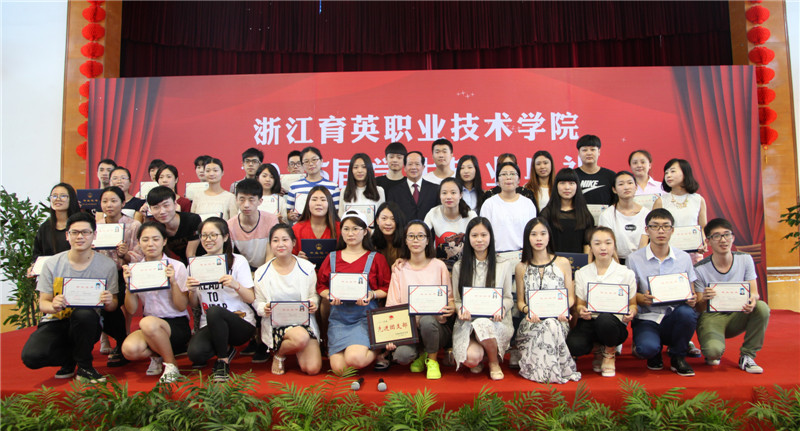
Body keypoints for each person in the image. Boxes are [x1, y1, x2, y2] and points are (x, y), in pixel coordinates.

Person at [21, 212, 119, 383]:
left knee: (84, 314)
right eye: (75, 232)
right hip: (56, 320)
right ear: (67, 235)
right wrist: (53, 305)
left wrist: (110, 301)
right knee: (32, 357)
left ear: (94, 235)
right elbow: (43, 303)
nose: (80, 237)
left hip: (87, 323)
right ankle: (70, 359)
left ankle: (85, 367)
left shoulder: (107, 265)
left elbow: (113, 305)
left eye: (85, 232)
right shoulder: (52, 263)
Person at [626, 208, 699, 377]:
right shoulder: (634, 259)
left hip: (674, 316)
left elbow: (692, 292)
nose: (661, 231)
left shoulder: (684, 258)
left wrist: (692, 298)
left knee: (687, 313)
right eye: (655, 226)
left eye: (666, 226)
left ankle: (678, 356)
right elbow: (630, 295)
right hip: (647, 317)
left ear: (672, 230)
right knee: (646, 349)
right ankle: (655, 352)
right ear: (647, 230)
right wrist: (642, 298)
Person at [316, 210, 390, 373]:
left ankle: (378, 350)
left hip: (364, 318)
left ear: (365, 232)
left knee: (354, 358)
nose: (350, 233)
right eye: (346, 229)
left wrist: (372, 294)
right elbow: (321, 286)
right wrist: (329, 295)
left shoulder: (376, 258)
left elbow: (386, 288)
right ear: (341, 232)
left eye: (356, 229)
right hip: (339, 319)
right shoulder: (332, 257)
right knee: (339, 369)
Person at [693, 218, 770, 373]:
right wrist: (705, 299)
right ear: (708, 241)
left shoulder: (745, 259)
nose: (723, 240)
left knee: (762, 308)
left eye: (727, 235)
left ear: (733, 237)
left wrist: (752, 300)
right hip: (712, 316)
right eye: (717, 236)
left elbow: (754, 293)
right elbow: (698, 307)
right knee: (713, 352)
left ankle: (747, 355)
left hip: (738, 313)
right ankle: (712, 351)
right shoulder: (699, 269)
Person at [186, 217, 256, 381]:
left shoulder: (238, 261)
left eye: (213, 235)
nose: (208, 240)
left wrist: (236, 285)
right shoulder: (195, 265)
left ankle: (222, 361)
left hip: (240, 322)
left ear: (225, 237)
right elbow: (194, 304)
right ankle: (227, 349)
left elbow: (251, 298)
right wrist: (192, 291)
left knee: (215, 311)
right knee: (196, 354)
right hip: (210, 324)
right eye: (204, 236)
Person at [120, 222, 191, 383]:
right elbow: (131, 309)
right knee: (129, 350)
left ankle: (171, 365)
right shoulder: (135, 269)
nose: (150, 244)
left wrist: (173, 283)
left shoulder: (177, 266)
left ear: (164, 241)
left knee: (147, 323)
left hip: (176, 324)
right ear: (139, 243)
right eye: (145, 240)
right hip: (150, 326)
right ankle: (158, 355)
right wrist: (129, 286)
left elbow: (181, 306)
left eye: (155, 239)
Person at [385, 221, 454, 380]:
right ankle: (421, 354)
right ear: (405, 240)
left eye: (420, 236)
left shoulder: (439, 266)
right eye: (411, 236)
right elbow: (392, 306)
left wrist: (450, 307)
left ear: (428, 240)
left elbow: (450, 299)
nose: (416, 240)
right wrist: (389, 336)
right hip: (409, 330)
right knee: (401, 356)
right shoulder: (399, 269)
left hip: (435, 327)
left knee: (427, 320)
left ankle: (432, 360)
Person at [515, 217, 580, 383]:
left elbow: (570, 297)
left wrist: (563, 309)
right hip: (532, 321)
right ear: (527, 238)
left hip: (559, 320)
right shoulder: (521, 267)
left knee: (551, 324)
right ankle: (559, 371)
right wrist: (528, 311)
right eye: (534, 234)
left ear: (549, 236)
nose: (539, 238)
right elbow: (520, 302)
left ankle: (540, 373)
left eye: (543, 234)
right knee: (547, 325)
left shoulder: (563, 263)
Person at [566, 227, 638, 377]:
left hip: (614, 324)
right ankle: (598, 349)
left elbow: (633, 304)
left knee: (605, 320)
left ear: (614, 246)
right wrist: (581, 310)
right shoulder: (582, 273)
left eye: (608, 243)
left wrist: (632, 312)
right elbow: (580, 304)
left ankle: (609, 352)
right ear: (591, 247)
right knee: (574, 346)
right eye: (597, 243)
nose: (603, 248)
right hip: (590, 321)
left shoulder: (626, 273)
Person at [253, 224, 322, 376]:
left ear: (293, 242)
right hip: (277, 324)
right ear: (270, 244)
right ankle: (280, 354)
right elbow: (257, 301)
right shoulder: (261, 272)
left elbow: (313, 295)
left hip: (303, 322)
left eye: (285, 240)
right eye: (275, 240)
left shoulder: (307, 268)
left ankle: (293, 347)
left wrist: (313, 303)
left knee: (312, 368)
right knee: (301, 337)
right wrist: (264, 308)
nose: (280, 244)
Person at [451, 217, 513, 380]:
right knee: (471, 359)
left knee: (483, 324)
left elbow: (508, 298)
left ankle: (493, 362)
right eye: (474, 235)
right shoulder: (459, 267)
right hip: (467, 323)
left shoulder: (503, 264)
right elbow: (457, 300)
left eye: (484, 235)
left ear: (490, 236)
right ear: (468, 238)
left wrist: (502, 308)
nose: (479, 240)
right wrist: (461, 310)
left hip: (496, 321)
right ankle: (482, 354)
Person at [95, 186, 142, 365]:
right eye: (105, 201)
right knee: (101, 305)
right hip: (101, 276)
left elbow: (139, 255)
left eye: (114, 201)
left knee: (113, 305)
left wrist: (125, 254)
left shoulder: (133, 225)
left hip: (125, 273)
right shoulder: (96, 227)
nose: (109, 205)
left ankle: (122, 341)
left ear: (123, 203)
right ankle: (119, 339)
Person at [653, 158, 708, 261]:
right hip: (669, 254)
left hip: (694, 253)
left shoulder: (698, 199)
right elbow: (653, 228)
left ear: (685, 173)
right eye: (666, 173)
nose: (668, 175)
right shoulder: (661, 201)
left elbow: (703, 227)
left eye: (673, 171)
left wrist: (703, 241)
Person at [480, 162, 537, 257]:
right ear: (498, 181)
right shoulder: (489, 204)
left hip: (523, 256)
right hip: (497, 256)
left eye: (512, 174)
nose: (508, 177)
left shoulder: (528, 204)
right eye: (504, 174)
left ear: (519, 180)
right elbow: (483, 233)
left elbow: (533, 232)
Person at [423, 178, 477, 270]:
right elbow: (421, 235)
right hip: (439, 268)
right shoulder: (433, 213)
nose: (448, 197)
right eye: (444, 193)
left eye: (453, 193)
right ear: (439, 195)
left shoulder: (471, 215)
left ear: (460, 195)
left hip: (465, 268)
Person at [227, 179, 279, 272]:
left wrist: (262, 274)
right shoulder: (230, 225)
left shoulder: (271, 220)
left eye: (251, 200)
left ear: (260, 201)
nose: (246, 205)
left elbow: (271, 254)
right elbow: (231, 256)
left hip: (268, 268)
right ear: (236, 200)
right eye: (242, 200)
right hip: (243, 270)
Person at [539, 168, 594, 254]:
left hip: (578, 261)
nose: (567, 187)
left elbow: (587, 245)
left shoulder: (584, 214)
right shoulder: (546, 213)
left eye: (571, 183)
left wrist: (586, 262)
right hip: (553, 260)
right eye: (562, 183)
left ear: (577, 186)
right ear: (556, 186)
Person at [598, 171, 648, 263]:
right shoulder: (607, 215)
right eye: (621, 184)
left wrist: (639, 265)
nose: (626, 187)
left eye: (630, 183)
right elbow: (608, 244)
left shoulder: (646, 214)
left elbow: (643, 244)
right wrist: (618, 268)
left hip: (640, 261)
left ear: (636, 187)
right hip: (615, 261)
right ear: (614, 189)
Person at [147, 186, 200, 265]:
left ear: (175, 204)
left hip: (197, 261)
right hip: (174, 265)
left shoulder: (192, 220)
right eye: (156, 207)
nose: (162, 211)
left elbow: (190, 254)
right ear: (150, 209)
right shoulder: (155, 228)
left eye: (166, 205)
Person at [31, 183, 81, 265]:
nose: (58, 199)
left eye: (63, 196)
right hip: (50, 270)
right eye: (54, 196)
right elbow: (37, 254)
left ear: (71, 199)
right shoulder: (45, 227)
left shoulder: (80, 225)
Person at [385, 151, 439, 221]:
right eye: (410, 164)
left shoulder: (435, 189)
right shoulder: (394, 192)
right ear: (404, 167)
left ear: (423, 167)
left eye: (417, 164)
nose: (413, 167)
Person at [287, 146, 340, 216]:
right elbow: (289, 212)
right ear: (302, 165)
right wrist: (291, 216)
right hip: (300, 222)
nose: (311, 164)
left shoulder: (333, 187)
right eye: (306, 161)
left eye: (314, 160)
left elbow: (336, 213)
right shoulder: (294, 186)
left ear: (321, 161)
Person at [291, 186, 340, 258]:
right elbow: (290, 257)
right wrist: (297, 259)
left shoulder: (340, 228)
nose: (318, 203)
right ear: (308, 204)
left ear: (329, 204)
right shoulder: (297, 229)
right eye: (314, 199)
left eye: (323, 200)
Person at [338, 153, 385, 221]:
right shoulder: (344, 191)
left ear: (369, 169)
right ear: (351, 170)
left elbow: (382, 216)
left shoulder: (379, 190)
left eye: (364, 167)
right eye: (356, 167)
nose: (360, 171)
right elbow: (341, 216)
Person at [573, 135, 616, 206]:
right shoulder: (572, 175)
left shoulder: (610, 176)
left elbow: (617, 201)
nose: (589, 153)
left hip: (605, 213)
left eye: (592, 149)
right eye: (584, 150)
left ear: (599, 152)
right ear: (579, 153)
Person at [371, 202, 407, 268]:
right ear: (377, 220)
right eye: (384, 218)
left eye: (393, 219)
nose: (388, 223)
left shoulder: (406, 241)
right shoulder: (371, 242)